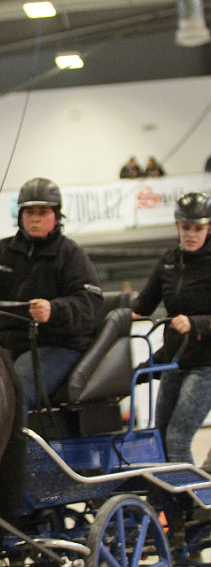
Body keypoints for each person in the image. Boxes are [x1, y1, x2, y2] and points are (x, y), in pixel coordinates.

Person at [0, 178, 104, 419]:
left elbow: (90, 304)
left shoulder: (70, 254)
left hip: (56, 345)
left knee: (13, 392)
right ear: (20, 216)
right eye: (29, 212)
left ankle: (17, 456)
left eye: (43, 212)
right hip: (6, 346)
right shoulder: (4, 251)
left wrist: (54, 310)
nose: (35, 218)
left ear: (56, 215)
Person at [131, 192, 211, 464]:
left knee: (177, 440)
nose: (191, 234)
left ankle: (191, 504)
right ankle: (168, 503)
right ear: (177, 226)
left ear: (208, 228)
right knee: (160, 437)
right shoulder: (168, 262)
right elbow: (141, 306)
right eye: (186, 227)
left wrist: (195, 322)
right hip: (176, 361)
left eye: (198, 228)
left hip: (206, 365)